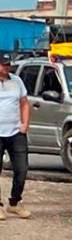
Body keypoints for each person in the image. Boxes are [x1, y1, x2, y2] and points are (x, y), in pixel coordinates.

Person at [0, 55, 31, 220]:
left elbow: (24, 103)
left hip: (15, 131)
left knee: (21, 168)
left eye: (8, 65)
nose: (7, 68)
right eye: (3, 65)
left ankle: (15, 202)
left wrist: (24, 124)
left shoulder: (16, 81)